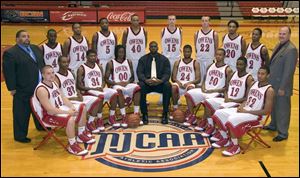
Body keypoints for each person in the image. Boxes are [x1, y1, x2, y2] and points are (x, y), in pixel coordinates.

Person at [210, 66, 274, 156]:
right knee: (219, 113)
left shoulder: (269, 90)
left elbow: (266, 111)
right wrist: (242, 106)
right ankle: (226, 139)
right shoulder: (253, 84)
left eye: (262, 74)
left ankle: (235, 147)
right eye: (259, 73)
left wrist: (246, 112)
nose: (259, 76)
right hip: (245, 111)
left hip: (256, 116)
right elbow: (246, 99)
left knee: (232, 119)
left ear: (268, 75)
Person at [33, 65, 95, 156]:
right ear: (43, 75)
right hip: (48, 116)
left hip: (59, 108)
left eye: (53, 72)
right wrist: (68, 112)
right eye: (48, 73)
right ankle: (72, 145)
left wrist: (71, 106)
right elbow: (50, 110)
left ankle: (81, 135)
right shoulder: (42, 89)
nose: (51, 75)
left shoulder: (54, 83)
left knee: (82, 107)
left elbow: (62, 97)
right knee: (70, 119)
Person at [3, 30, 44, 143]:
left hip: (39, 86)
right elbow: (8, 72)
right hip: (22, 88)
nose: (27, 38)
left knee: (39, 108)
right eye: (23, 36)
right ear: (17, 39)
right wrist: (12, 88)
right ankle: (20, 135)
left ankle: (41, 126)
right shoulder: (11, 53)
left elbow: (41, 64)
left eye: (28, 36)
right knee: (22, 112)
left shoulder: (35, 48)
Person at [200, 57, 254, 137]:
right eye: (237, 64)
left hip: (237, 103)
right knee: (207, 102)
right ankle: (211, 126)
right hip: (228, 100)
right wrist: (226, 97)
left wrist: (232, 100)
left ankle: (223, 132)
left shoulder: (249, 78)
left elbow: (247, 98)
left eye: (241, 65)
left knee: (220, 109)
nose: (239, 66)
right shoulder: (232, 74)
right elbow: (226, 88)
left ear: (246, 65)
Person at [264, 26, 298, 142]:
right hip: (273, 83)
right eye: (280, 33)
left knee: (282, 109)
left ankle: (283, 133)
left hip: (282, 86)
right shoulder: (279, 45)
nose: (281, 35)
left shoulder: (291, 49)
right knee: (273, 106)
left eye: (284, 34)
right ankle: (273, 125)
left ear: (289, 35)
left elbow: (289, 71)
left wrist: (283, 87)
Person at [183, 48, 233, 127]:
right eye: (217, 54)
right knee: (189, 94)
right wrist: (203, 87)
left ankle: (206, 122)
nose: (218, 56)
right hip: (206, 90)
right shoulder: (210, 66)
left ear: (224, 56)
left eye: (220, 55)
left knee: (207, 101)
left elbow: (227, 88)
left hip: (217, 93)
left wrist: (212, 90)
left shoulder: (228, 70)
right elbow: (204, 80)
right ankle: (192, 116)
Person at [54, 56, 104, 133]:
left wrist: (79, 94)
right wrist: (73, 99)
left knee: (97, 100)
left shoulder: (71, 73)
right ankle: (82, 130)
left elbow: (75, 87)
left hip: (76, 98)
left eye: (67, 62)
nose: (66, 64)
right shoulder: (56, 78)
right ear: (59, 63)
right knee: (82, 106)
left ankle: (89, 122)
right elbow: (58, 97)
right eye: (64, 62)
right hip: (68, 102)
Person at [76, 49, 122, 128]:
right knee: (101, 96)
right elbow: (78, 86)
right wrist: (92, 88)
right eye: (91, 56)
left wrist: (102, 86)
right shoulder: (81, 68)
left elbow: (103, 80)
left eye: (94, 56)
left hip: (99, 89)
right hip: (88, 91)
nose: (93, 58)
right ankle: (99, 119)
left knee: (114, 93)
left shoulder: (99, 66)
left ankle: (111, 117)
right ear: (86, 57)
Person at [105, 45, 143, 126]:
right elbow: (106, 79)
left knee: (138, 88)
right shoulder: (111, 63)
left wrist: (128, 81)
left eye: (123, 52)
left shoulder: (128, 62)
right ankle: (124, 116)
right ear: (116, 53)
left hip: (127, 84)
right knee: (119, 90)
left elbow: (132, 76)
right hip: (117, 85)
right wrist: (117, 83)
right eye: (119, 52)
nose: (121, 54)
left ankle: (136, 113)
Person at [137, 41, 171, 124]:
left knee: (167, 85)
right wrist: (145, 80)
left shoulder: (164, 59)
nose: (153, 48)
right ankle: (144, 114)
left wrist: (161, 80)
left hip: (159, 84)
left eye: (155, 46)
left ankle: (165, 113)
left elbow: (167, 73)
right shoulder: (143, 59)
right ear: (149, 48)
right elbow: (139, 73)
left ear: (157, 48)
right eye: (151, 46)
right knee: (140, 85)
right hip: (147, 84)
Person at [171, 45, 200, 115]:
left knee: (190, 88)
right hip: (179, 84)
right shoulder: (177, 62)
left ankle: (189, 110)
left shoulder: (195, 63)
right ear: (183, 52)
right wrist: (178, 82)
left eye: (188, 52)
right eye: (185, 52)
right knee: (173, 87)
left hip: (189, 84)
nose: (187, 53)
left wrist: (189, 83)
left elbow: (198, 79)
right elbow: (173, 78)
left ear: (191, 52)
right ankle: (175, 107)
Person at [122, 14, 147, 82]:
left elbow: (145, 44)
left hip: (141, 59)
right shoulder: (126, 31)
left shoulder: (144, 31)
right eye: (134, 20)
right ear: (131, 21)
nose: (135, 22)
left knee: (141, 78)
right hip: (130, 59)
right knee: (130, 78)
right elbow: (123, 45)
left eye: (137, 20)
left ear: (139, 21)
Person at [195, 16, 219, 84]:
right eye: (203, 21)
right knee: (199, 80)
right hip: (199, 59)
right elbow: (196, 48)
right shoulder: (196, 33)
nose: (204, 22)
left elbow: (216, 48)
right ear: (201, 22)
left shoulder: (214, 34)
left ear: (209, 22)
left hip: (209, 59)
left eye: (206, 21)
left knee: (209, 80)